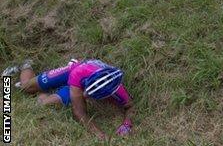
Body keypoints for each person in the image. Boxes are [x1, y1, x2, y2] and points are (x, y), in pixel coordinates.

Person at [3, 59, 133, 140]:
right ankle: (25, 64)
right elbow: (79, 113)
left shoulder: (117, 88)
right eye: (86, 92)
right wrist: (99, 135)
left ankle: (44, 92)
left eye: (90, 95)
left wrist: (127, 125)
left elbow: (130, 106)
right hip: (72, 72)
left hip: (80, 84)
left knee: (45, 104)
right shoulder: (79, 73)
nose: (86, 96)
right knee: (26, 87)